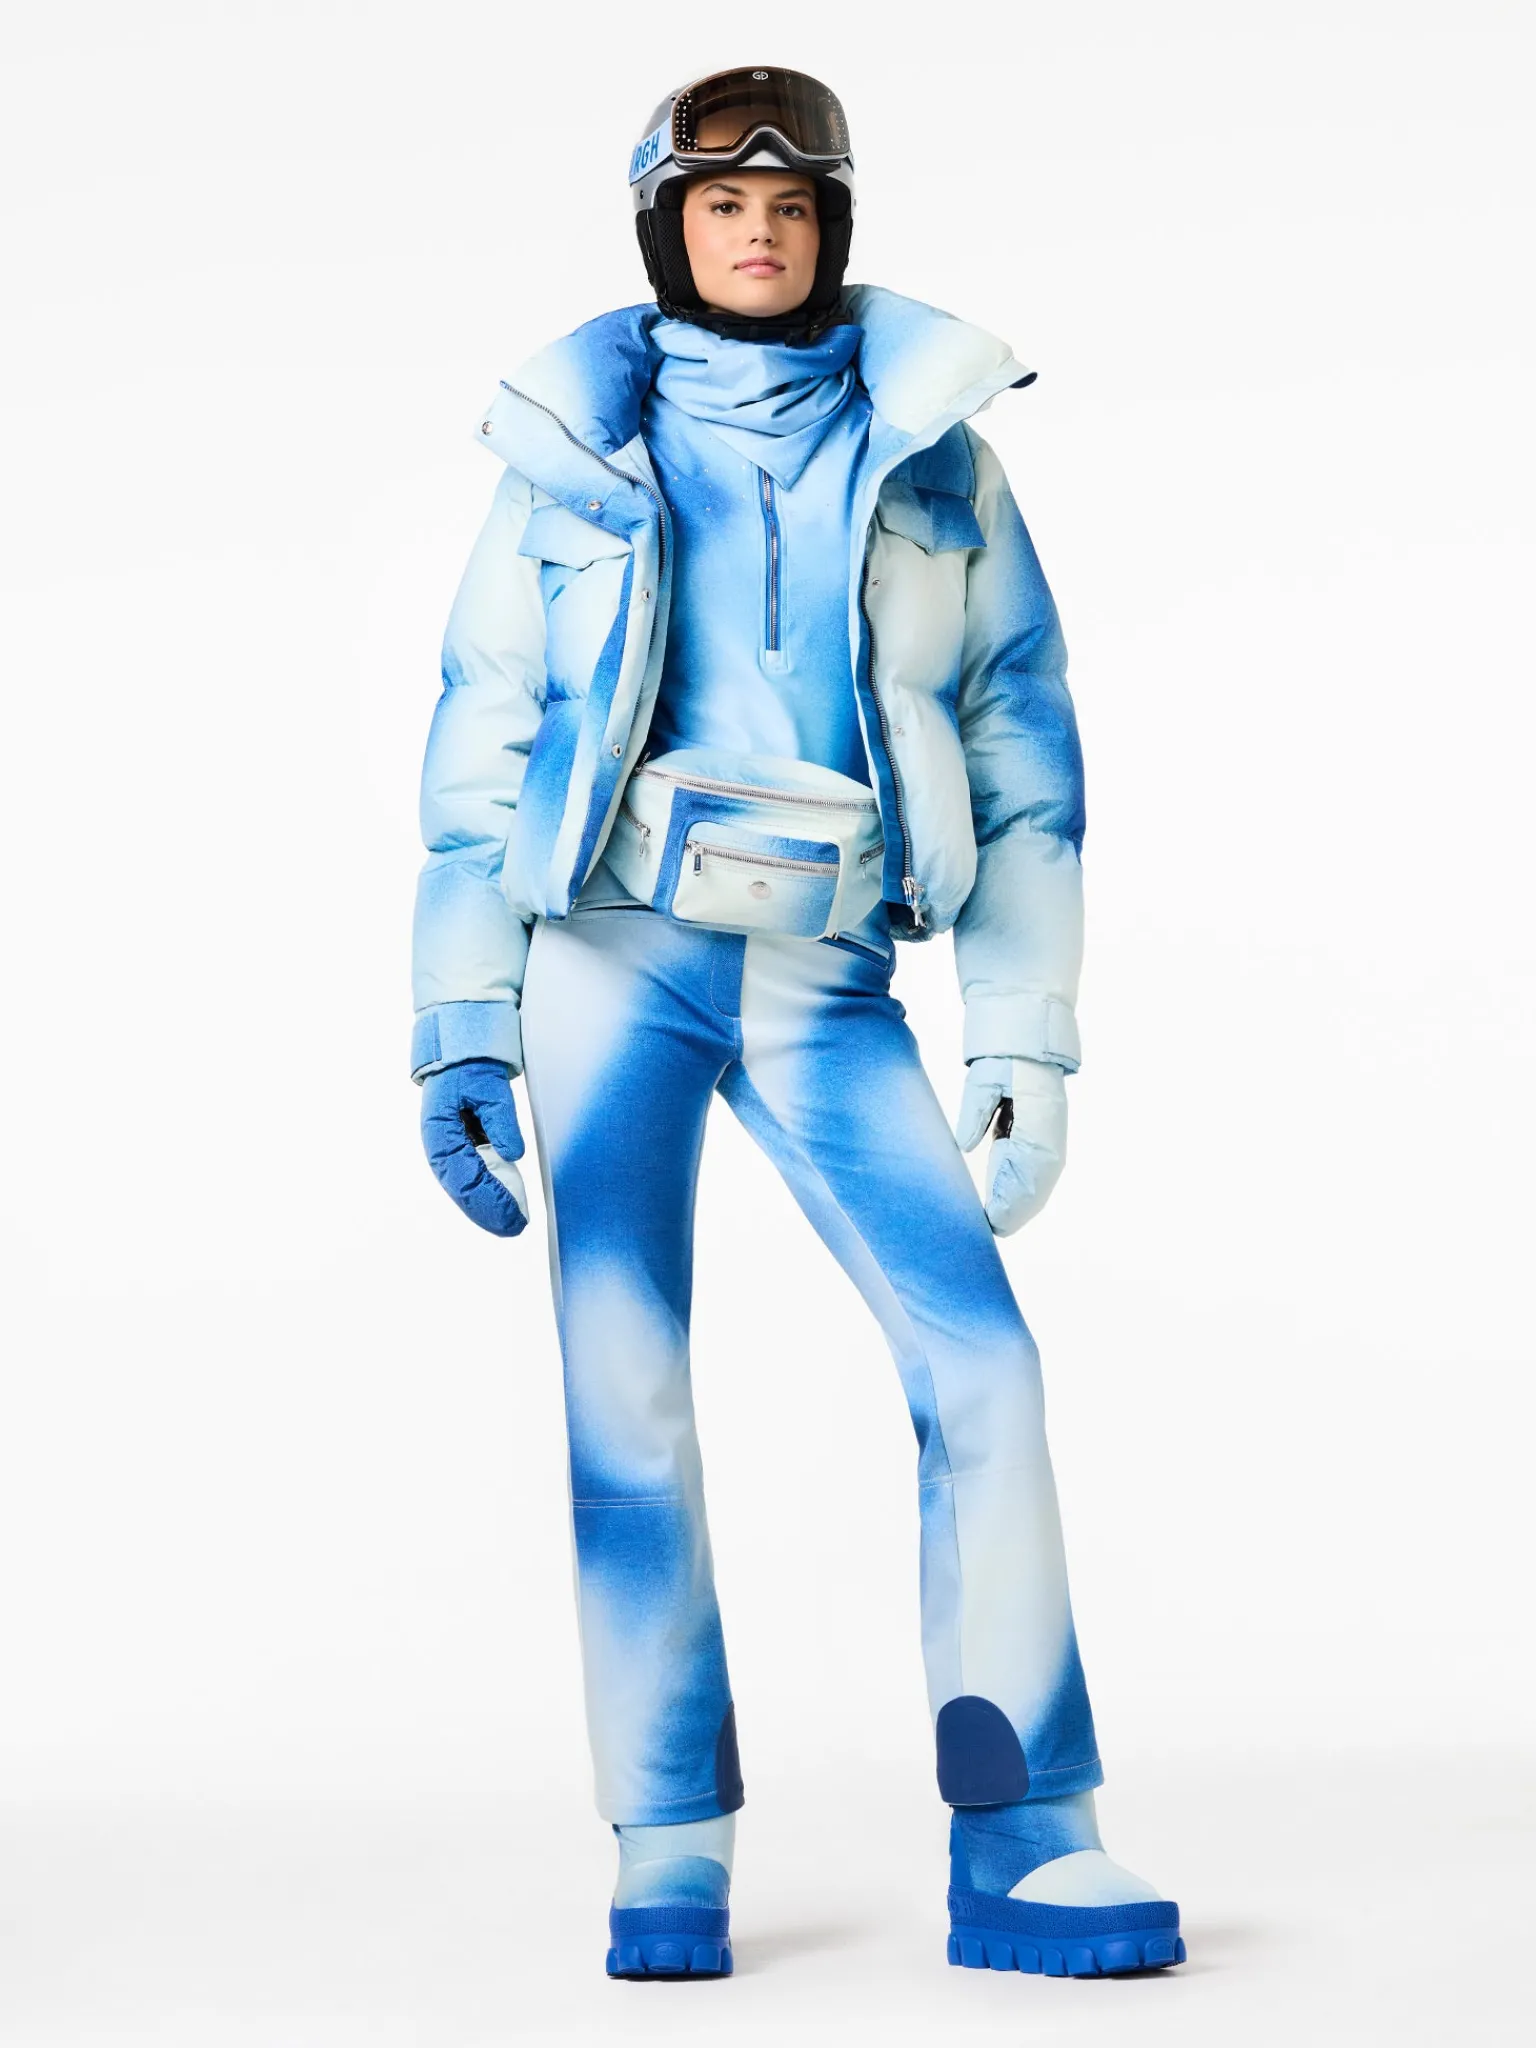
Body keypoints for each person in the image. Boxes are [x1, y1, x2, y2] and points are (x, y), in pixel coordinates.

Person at [411, 66, 1184, 1984]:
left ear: (832, 227)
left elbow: (1021, 741)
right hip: (611, 962)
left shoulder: (934, 455)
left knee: (982, 1369)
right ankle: (667, 1841)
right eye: (720, 204)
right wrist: (461, 1013)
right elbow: (484, 731)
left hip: (829, 978)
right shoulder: (571, 455)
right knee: (626, 1401)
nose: (757, 232)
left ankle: (1028, 1834)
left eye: (791, 206)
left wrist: (1023, 1032)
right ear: (664, 226)